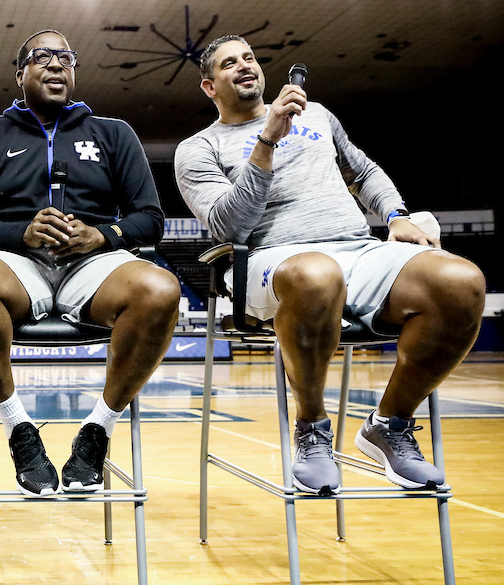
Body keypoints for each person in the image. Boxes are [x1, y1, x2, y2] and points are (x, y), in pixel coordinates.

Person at [175, 35, 485, 495]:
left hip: (358, 249)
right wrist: (266, 142)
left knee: (462, 280)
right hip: (271, 263)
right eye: (228, 63)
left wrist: (395, 215)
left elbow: (362, 170)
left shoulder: (318, 115)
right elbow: (228, 227)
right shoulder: (198, 149)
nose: (244, 66)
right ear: (209, 87)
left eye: (249, 58)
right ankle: (312, 427)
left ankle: (389, 424)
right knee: (317, 273)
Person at [0, 30, 180, 497]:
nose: (56, 64)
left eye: (65, 57)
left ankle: (98, 429)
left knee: (161, 288)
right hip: (14, 263)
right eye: (42, 57)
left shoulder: (113, 132)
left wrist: (102, 235)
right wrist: (20, 232)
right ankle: (18, 428)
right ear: (20, 74)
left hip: (92, 265)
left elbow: (150, 218)